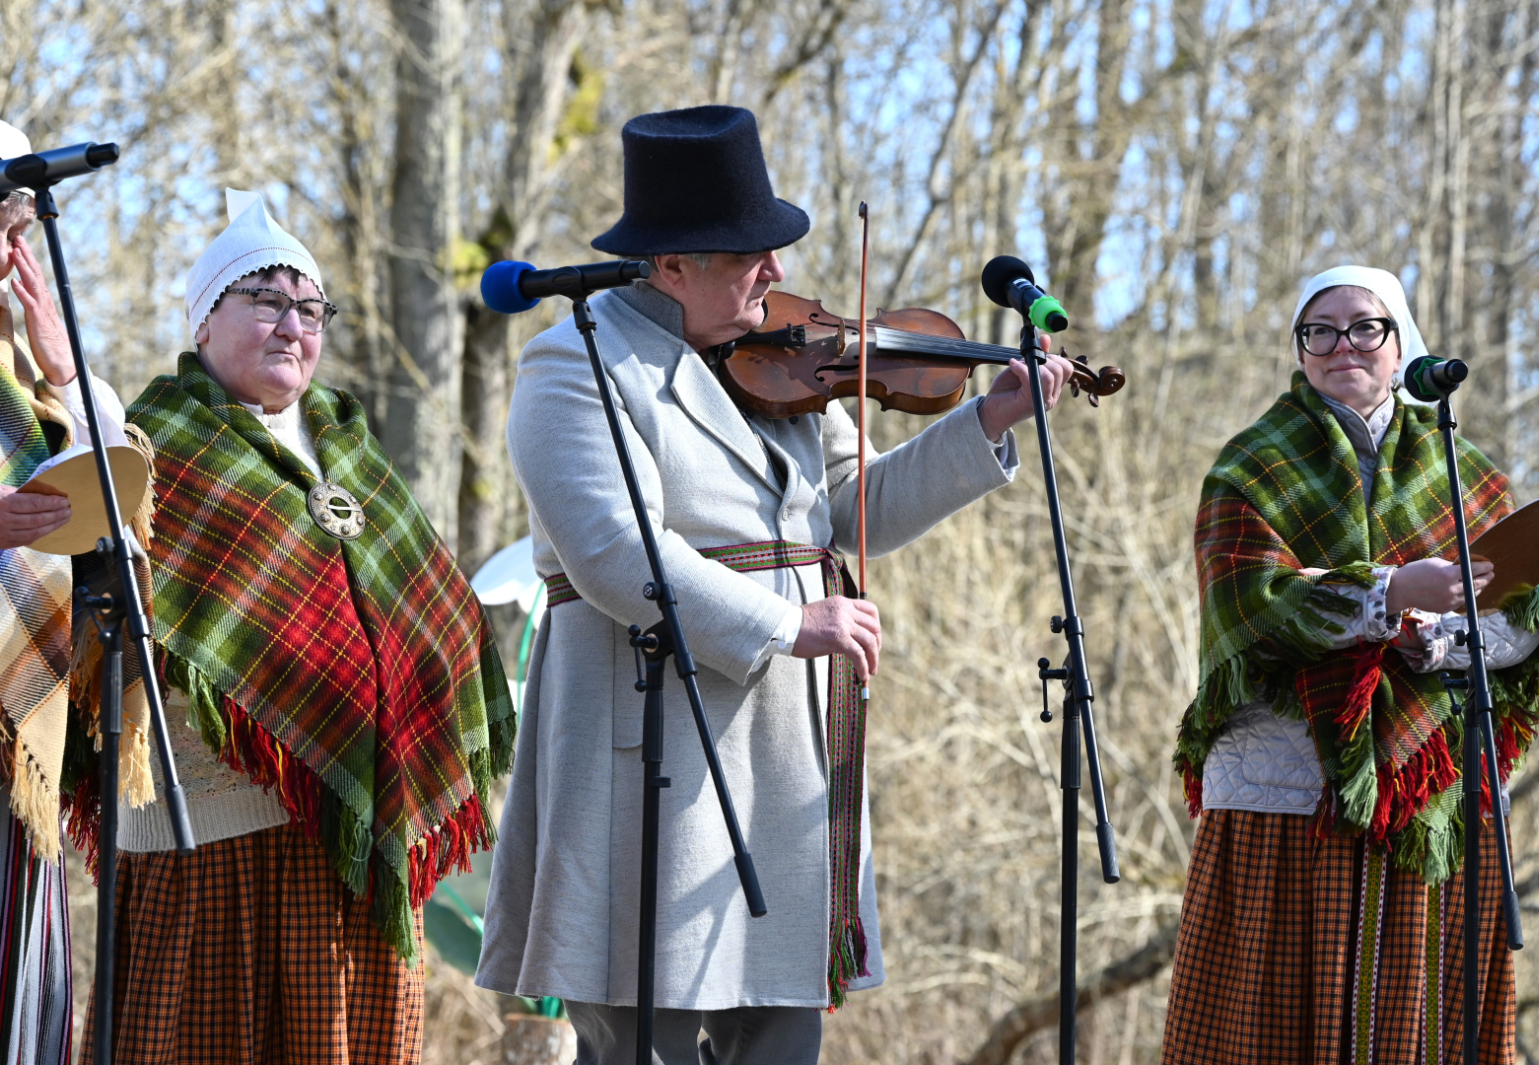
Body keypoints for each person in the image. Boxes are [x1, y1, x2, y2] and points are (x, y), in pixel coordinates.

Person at [475, 104, 1077, 1065]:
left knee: (780, 1036)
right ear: (672, 265)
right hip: (648, 741)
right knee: (646, 1034)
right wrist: (790, 622)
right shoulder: (575, 360)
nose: (780, 272)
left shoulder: (784, 361)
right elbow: (613, 552)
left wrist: (987, 424)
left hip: (786, 750)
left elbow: (853, 505)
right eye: (751, 253)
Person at [72, 189, 516, 1064]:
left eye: (310, 308)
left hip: (358, 842)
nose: (292, 325)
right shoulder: (157, 447)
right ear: (203, 322)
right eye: (265, 300)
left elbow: (438, 618)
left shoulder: (354, 449)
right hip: (210, 844)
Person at [1163, 266, 1539, 1063]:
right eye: (1318, 330)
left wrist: (1435, 637)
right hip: (1282, 796)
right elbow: (1248, 603)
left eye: (1365, 326)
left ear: (1401, 348)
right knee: (1265, 1033)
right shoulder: (1250, 466)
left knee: (1415, 1032)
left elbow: (1523, 621)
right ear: (1300, 351)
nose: (1341, 344)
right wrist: (1388, 592)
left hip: (1431, 803)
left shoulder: (1459, 469)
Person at [0, 117, 136, 1065]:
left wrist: (61, 360)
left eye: (17, 225)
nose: (12, 247)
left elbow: (123, 493)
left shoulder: (30, 368)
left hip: (19, 735)